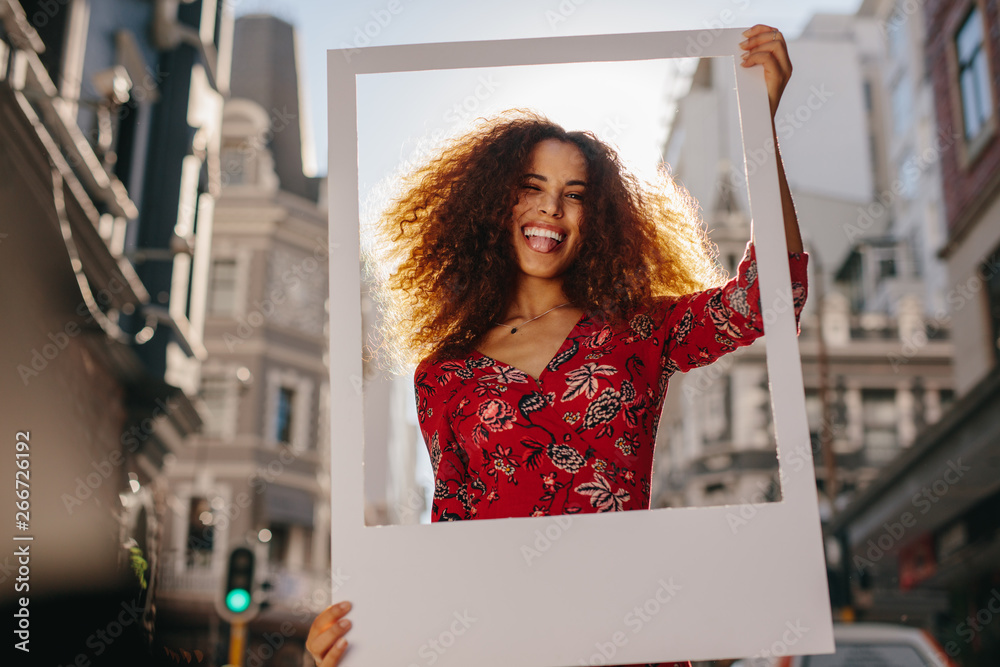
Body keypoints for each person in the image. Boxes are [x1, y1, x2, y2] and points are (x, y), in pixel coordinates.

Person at [307, 24, 803, 667]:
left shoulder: (637, 330)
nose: (552, 211)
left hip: (633, 640)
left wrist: (762, 126)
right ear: (493, 203)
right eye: (532, 188)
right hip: (502, 648)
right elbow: (450, 540)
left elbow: (772, 297)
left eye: (575, 196)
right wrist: (364, 642)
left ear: (597, 220)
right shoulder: (442, 374)